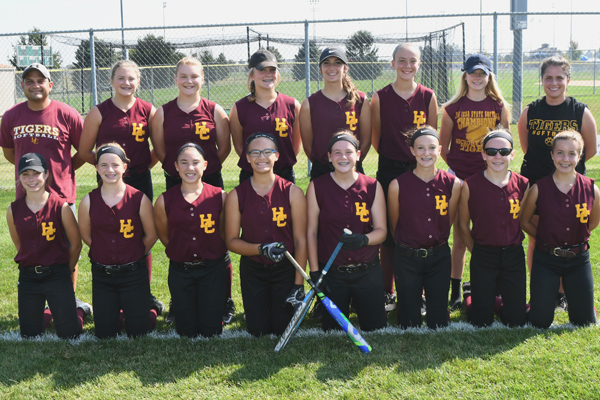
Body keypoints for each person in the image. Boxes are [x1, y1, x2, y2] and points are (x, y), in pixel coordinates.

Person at [0, 63, 91, 318]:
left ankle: (67, 299)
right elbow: (9, 152)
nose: (35, 85)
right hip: (27, 199)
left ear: (51, 84)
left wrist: (64, 168)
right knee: (33, 248)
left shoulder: (66, 113)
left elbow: (83, 150)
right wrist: (29, 175)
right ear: (23, 86)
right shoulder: (11, 116)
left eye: (41, 80)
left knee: (65, 247)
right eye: (29, 81)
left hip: (60, 196)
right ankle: (36, 299)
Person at [152, 56, 234, 323]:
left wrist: (204, 173)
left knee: (217, 239)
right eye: (183, 76)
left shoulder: (215, 110)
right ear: (175, 79)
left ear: (202, 79)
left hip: (209, 181)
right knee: (181, 236)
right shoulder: (162, 112)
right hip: (177, 181)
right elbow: (161, 150)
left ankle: (224, 300)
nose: (189, 81)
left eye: (194, 76)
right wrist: (182, 172)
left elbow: (224, 148)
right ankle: (181, 298)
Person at [79, 59, 164, 316]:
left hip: (138, 179)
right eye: (121, 78)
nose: (126, 83)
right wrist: (109, 171)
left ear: (138, 81)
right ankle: (110, 287)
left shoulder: (149, 110)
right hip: (108, 181)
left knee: (141, 234)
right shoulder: (99, 112)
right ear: (112, 81)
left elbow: (158, 150)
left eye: (131, 79)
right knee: (110, 231)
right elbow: (84, 151)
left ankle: (142, 292)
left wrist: (135, 169)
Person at [517, 56, 597, 312]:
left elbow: (590, 150)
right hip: (540, 186)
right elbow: (527, 148)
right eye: (548, 78)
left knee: (568, 236)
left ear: (568, 80)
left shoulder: (580, 111)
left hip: (571, 187)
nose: (553, 83)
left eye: (559, 78)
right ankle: (541, 290)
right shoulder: (531, 111)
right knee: (537, 239)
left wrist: (565, 169)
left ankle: (562, 293)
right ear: (541, 80)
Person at [371, 43, 439, 312]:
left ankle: (417, 293)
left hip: (419, 169)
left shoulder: (428, 96)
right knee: (388, 232)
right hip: (389, 168)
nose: (407, 66)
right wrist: (395, 157)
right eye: (401, 60)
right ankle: (387, 292)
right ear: (393, 64)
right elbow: (376, 138)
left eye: (412, 61)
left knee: (417, 230)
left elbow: (431, 137)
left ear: (419, 64)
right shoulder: (380, 97)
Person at [439, 54, 510, 310]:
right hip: (460, 179)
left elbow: (504, 146)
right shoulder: (452, 108)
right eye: (473, 73)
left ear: (489, 76)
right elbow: (443, 147)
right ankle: (455, 290)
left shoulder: (498, 106)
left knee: (490, 232)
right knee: (460, 235)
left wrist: (489, 172)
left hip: (489, 179)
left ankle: (492, 285)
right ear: (465, 75)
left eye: (482, 73)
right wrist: (459, 172)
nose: (477, 78)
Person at [224, 133, 307, 337]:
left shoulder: (292, 192)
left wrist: (298, 284)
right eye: (255, 152)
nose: (262, 157)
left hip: (285, 269)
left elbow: (300, 240)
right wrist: (261, 248)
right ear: (247, 158)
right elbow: (232, 241)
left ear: (277, 156)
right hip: (254, 269)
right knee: (257, 329)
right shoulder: (236, 195)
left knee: (282, 328)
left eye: (268, 151)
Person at [306, 131, 387, 332]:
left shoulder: (372, 186)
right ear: (329, 157)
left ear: (358, 155)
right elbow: (311, 232)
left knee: (375, 327)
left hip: (367, 271)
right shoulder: (317, 186)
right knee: (332, 329)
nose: (343, 157)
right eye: (337, 153)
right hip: (333, 273)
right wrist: (315, 272)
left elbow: (382, 231)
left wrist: (363, 239)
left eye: (348, 152)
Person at [78, 144, 158, 338]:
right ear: (97, 168)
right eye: (103, 165)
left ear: (124, 166)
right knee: (105, 333)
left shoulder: (139, 199)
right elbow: (87, 236)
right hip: (103, 276)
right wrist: (104, 251)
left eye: (115, 164)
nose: (109, 170)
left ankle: (152, 309)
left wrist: (134, 252)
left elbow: (151, 234)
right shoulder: (88, 201)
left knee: (139, 332)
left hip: (133, 274)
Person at [520, 131, 599, 328]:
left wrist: (573, 237)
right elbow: (525, 221)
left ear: (579, 156)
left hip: (578, 259)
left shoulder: (591, 189)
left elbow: (593, 222)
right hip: (546, 259)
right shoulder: (538, 188)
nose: (565, 159)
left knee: (584, 321)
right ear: (552, 155)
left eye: (572, 154)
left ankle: (581, 301)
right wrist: (547, 238)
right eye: (560, 153)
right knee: (540, 321)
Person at [388, 127, 461, 329]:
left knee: (439, 322)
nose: (426, 153)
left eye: (431, 148)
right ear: (412, 151)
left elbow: (449, 218)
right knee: (409, 322)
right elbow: (395, 224)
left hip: (438, 257)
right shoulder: (397, 185)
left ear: (439, 149)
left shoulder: (453, 184)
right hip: (407, 258)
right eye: (420, 148)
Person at [154, 143, 230, 338]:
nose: (190, 168)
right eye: (184, 163)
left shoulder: (220, 196)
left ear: (205, 165)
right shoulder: (164, 200)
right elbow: (165, 236)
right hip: (181, 272)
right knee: (186, 331)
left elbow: (223, 233)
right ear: (176, 166)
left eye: (195, 162)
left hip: (212, 271)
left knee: (210, 330)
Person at [456, 130, 529, 327]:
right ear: (483, 154)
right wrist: (477, 251)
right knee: (481, 321)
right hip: (484, 254)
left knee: (516, 321)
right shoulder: (470, 185)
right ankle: (470, 296)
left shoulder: (523, 184)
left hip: (513, 256)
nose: (498, 156)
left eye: (504, 152)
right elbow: (463, 225)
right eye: (492, 151)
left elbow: (524, 220)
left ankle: (497, 301)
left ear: (512, 155)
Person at [7, 153, 83, 339]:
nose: (31, 179)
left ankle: (79, 310)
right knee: (30, 335)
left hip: (57, 274)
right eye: (25, 174)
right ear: (19, 177)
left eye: (36, 173)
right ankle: (49, 312)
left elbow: (76, 244)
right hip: (29, 278)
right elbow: (20, 246)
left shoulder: (61, 206)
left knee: (69, 333)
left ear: (46, 174)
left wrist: (65, 270)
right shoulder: (13, 210)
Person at [230, 49, 302, 184]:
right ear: (252, 75)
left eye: (272, 70)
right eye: (262, 70)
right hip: (251, 174)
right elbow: (239, 147)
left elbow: (296, 146)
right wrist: (259, 163)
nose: (268, 74)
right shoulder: (239, 108)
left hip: (284, 174)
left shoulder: (292, 105)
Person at [300, 47, 371, 180]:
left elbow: (366, 140)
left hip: (353, 170)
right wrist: (328, 163)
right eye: (326, 63)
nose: (332, 67)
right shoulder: (309, 104)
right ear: (320, 69)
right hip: (322, 171)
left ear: (345, 68)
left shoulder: (360, 100)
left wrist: (350, 161)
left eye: (337, 63)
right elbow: (308, 146)